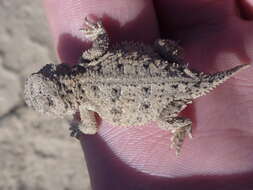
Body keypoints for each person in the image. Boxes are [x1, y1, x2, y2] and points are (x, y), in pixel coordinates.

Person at [43, 0, 253, 189]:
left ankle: (183, 125)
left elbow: (89, 127)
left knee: (164, 121)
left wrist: (77, 127)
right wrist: (98, 31)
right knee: (161, 45)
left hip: (169, 94)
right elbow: (103, 40)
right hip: (168, 67)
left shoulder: (86, 108)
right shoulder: (87, 60)